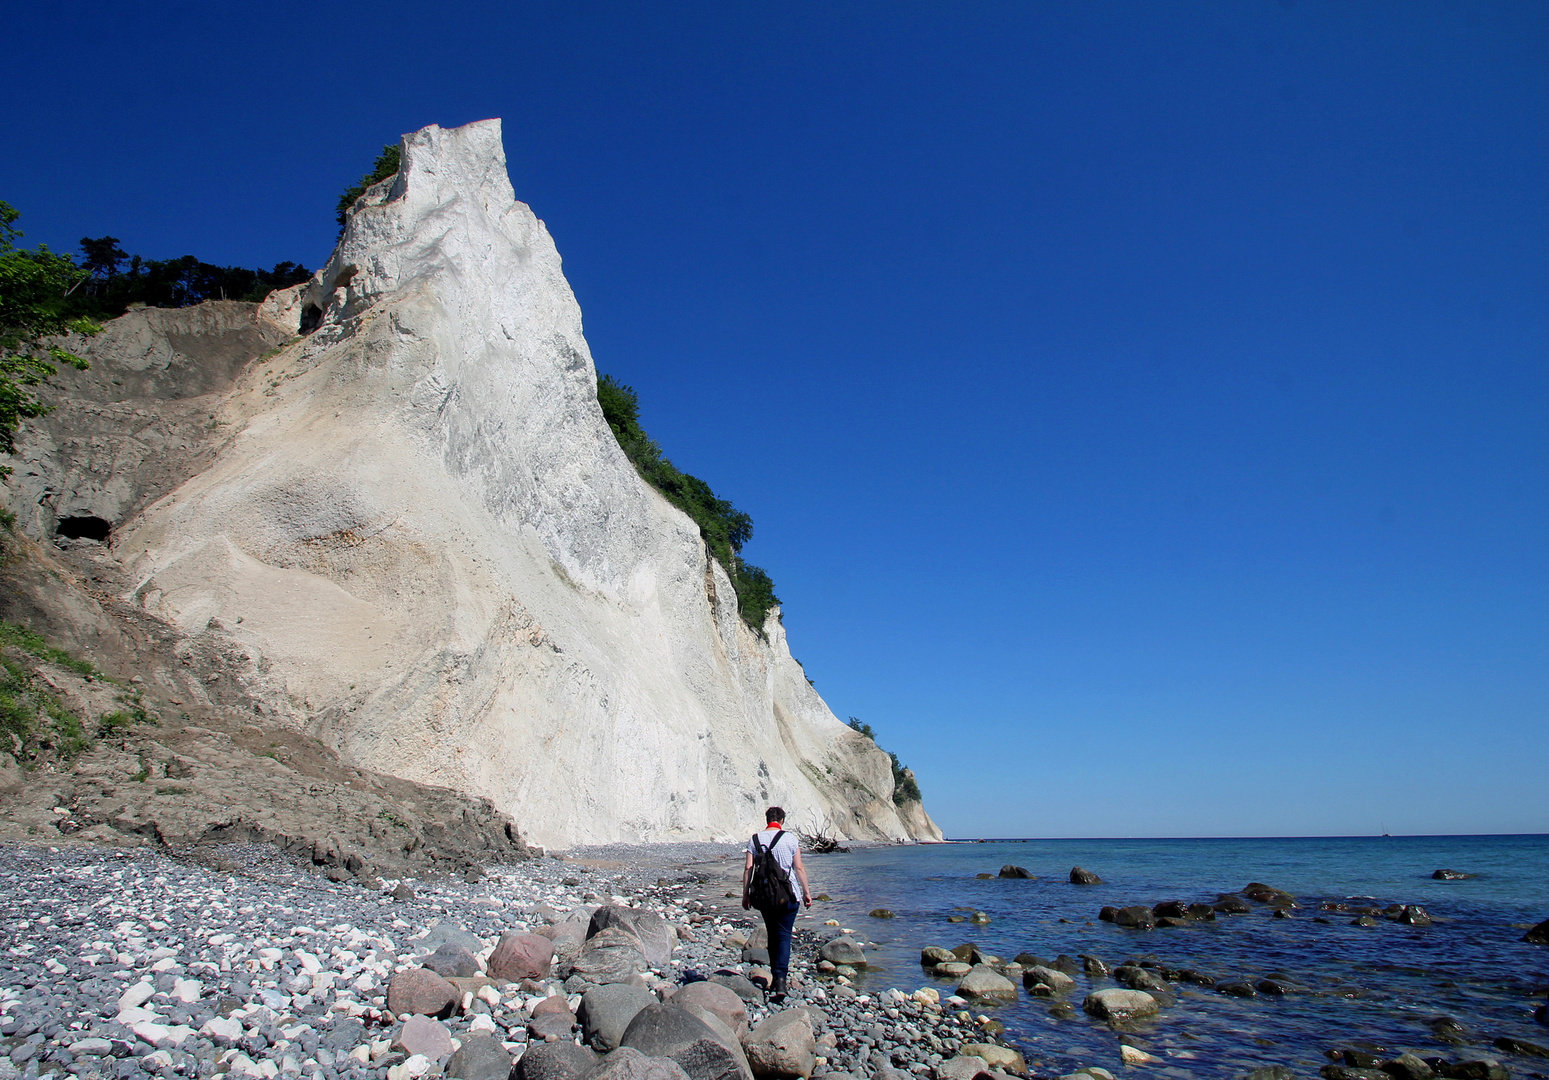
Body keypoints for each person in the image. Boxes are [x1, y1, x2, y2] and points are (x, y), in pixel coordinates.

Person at [742, 806, 812, 997]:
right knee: (784, 936)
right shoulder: (789, 839)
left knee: (772, 935)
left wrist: (746, 895)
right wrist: (806, 893)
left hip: (764, 897)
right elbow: (799, 868)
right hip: (788, 895)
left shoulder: (755, 839)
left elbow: (748, 868)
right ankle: (780, 981)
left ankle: (775, 977)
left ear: (767, 820)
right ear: (781, 820)